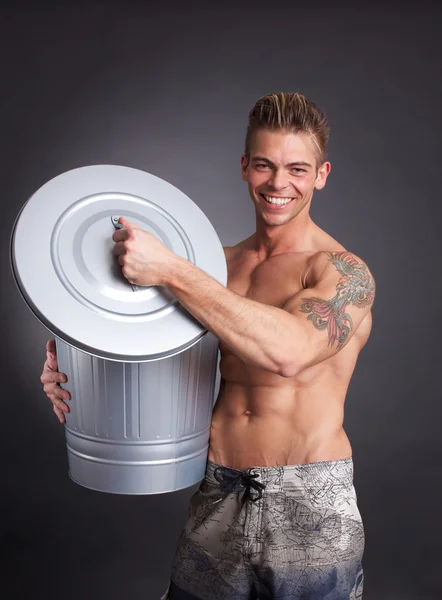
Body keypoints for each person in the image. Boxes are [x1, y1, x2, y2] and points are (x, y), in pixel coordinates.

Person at [41, 92, 375, 599]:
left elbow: (289, 352)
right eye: (264, 165)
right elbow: (144, 350)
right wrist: (68, 367)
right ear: (244, 168)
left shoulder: (342, 271)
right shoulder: (215, 267)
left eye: (297, 170)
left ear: (322, 174)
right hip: (219, 490)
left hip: (309, 500)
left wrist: (174, 270)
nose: (278, 183)